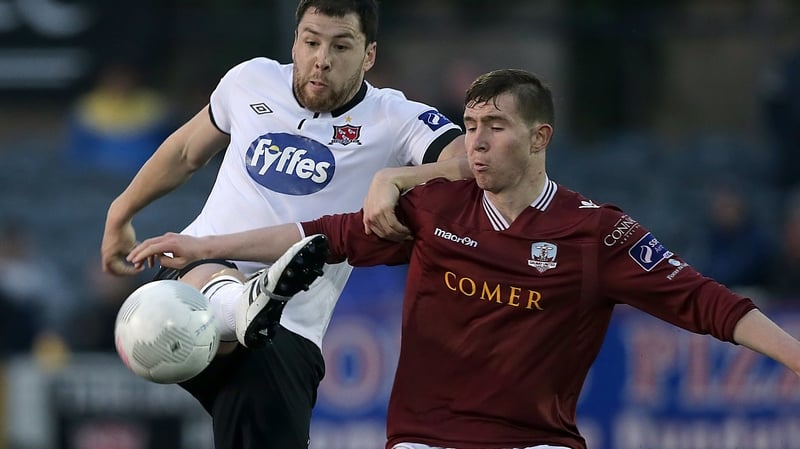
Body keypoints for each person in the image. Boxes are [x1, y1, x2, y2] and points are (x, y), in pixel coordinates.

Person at [129, 68, 800, 449]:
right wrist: (202, 247)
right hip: (425, 441)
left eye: (495, 128)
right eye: (470, 127)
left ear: (540, 137)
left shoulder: (597, 234)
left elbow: (712, 305)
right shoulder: (435, 210)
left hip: (536, 442)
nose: (475, 142)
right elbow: (318, 235)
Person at [101, 1, 467, 448]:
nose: (322, 59)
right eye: (311, 41)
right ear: (295, 42)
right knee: (163, 312)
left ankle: (247, 310)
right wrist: (120, 213)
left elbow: (470, 162)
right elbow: (184, 153)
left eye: (341, 46)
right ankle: (240, 303)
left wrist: (398, 177)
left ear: (369, 55)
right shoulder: (250, 80)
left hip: (289, 330)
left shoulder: (394, 119)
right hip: (193, 274)